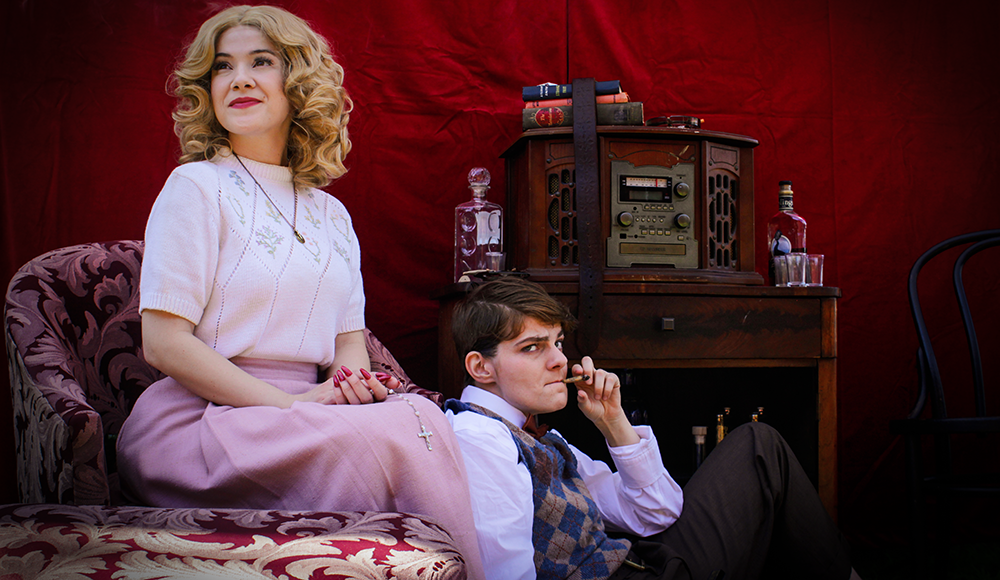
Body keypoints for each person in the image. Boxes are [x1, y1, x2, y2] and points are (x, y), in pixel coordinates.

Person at [116, 6, 484, 578]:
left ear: (299, 85)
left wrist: (348, 392)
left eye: (261, 62)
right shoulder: (196, 185)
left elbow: (348, 350)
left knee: (420, 419)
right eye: (222, 67)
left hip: (301, 413)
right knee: (392, 440)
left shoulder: (332, 214)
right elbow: (163, 346)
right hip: (205, 420)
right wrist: (294, 406)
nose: (238, 78)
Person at [444, 276, 860, 580]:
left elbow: (658, 513)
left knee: (760, 448)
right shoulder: (481, 440)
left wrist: (614, 424)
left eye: (557, 342)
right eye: (532, 347)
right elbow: (505, 574)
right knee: (759, 446)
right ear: (481, 367)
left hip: (639, 561)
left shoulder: (536, 434)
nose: (557, 360)